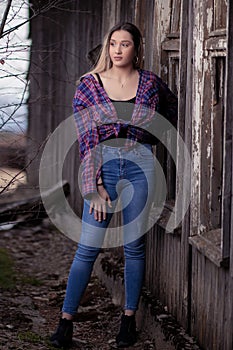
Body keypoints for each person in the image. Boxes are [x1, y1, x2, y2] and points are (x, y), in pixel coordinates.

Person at [50, 22, 177, 348]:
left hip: (141, 166)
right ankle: (65, 324)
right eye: (113, 44)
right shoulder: (89, 86)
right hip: (102, 166)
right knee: (87, 248)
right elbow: (86, 136)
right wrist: (93, 184)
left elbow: (172, 110)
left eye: (125, 44)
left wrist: (152, 137)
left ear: (137, 49)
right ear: (108, 48)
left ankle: (128, 321)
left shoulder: (150, 83)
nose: (118, 50)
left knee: (134, 247)